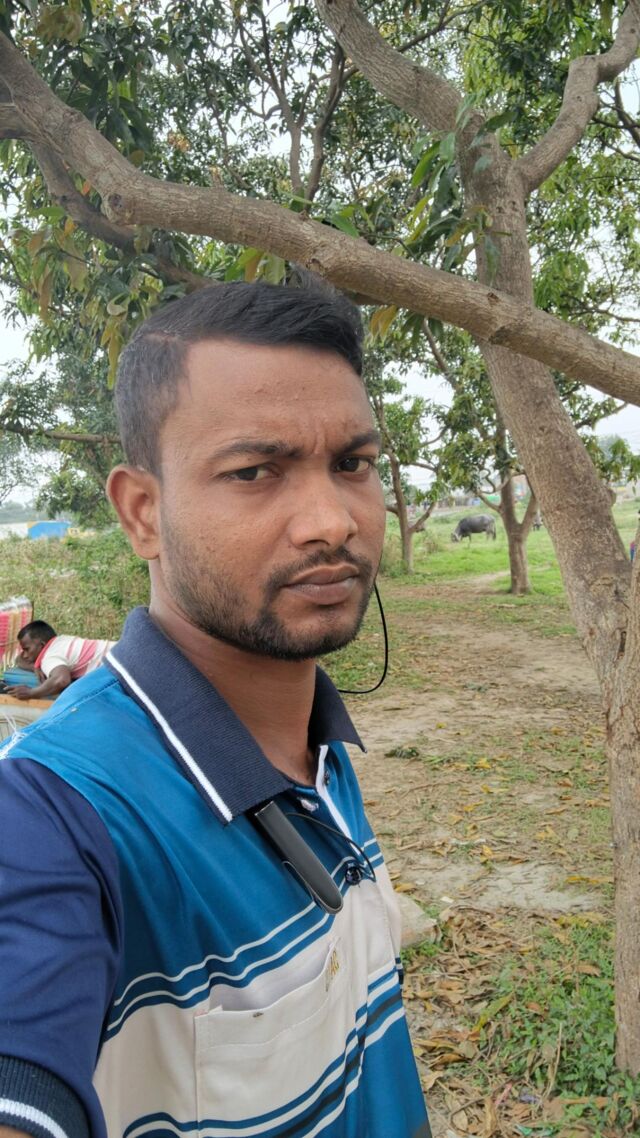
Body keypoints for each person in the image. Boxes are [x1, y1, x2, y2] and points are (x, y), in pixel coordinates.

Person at [0, 280, 430, 1138]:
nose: (331, 522)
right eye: (254, 472)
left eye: (352, 464)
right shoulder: (51, 821)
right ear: (143, 513)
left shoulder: (314, 741)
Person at [6, 620, 115, 700]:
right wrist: (35, 667)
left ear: (42, 645)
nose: (25, 655)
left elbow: (61, 680)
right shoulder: (61, 640)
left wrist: (31, 693)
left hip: (119, 666)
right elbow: (19, 659)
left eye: (27, 649)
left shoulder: (50, 657)